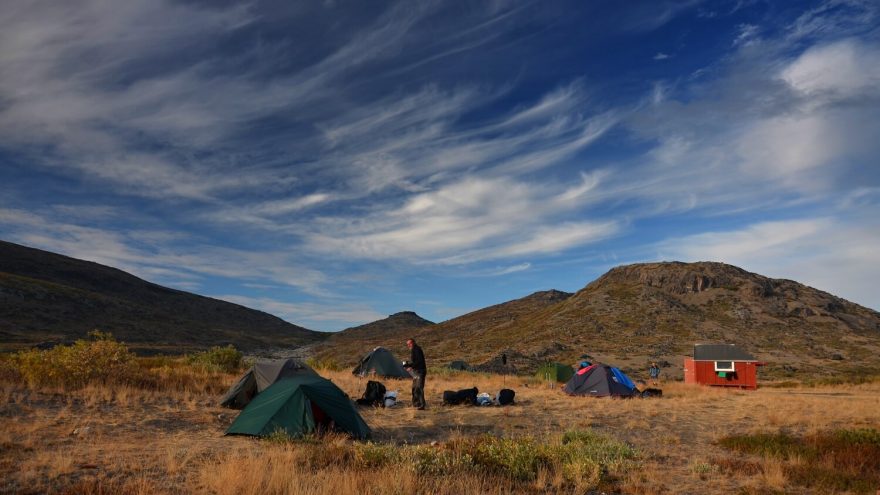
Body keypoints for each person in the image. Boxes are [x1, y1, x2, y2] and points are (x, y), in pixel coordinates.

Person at [404, 338, 427, 410]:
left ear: (413, 342)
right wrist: (408, 365)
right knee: (414, 387)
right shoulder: (414, 349)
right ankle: (416, 403)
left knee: (419, 387)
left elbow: (419, 361)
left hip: (420, 371)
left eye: (409, 344)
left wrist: (411, 367)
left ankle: (422, 405)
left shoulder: (417, 349)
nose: (408, 345)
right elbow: (416, 362)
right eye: (407, 344)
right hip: (416, 372)